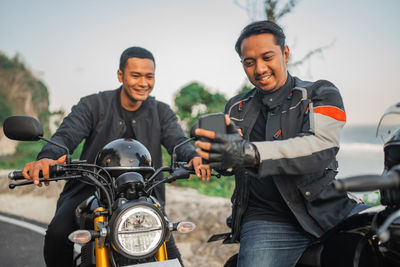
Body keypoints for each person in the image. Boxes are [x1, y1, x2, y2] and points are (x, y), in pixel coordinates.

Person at [195, 21, 365, 267]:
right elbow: (229, 163)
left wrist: (251, 153)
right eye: (249, 62)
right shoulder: (235, 107)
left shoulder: (321, 92)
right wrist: (212, 155)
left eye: (267, 57)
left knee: (388, 239)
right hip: (267, 219)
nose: (259, 68)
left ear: (285, 53)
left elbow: (322, 147)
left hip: (329, 209)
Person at [22, 46, 209, 267]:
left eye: (149, 76)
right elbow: (66, 135)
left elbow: (178, 141)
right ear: (120, 75)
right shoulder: (92, 105)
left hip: (144, 195)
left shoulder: (161, 112)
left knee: (172, 256)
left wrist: (194, 157)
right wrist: (48, 157)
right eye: (135, 75)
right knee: (57, 234)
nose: (143, 83)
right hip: (89, 191)